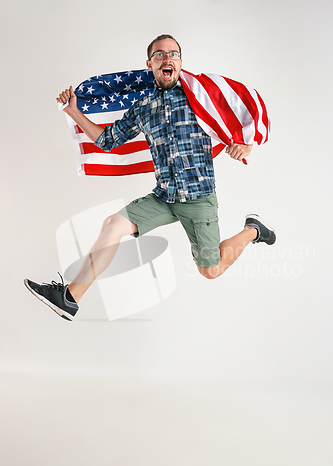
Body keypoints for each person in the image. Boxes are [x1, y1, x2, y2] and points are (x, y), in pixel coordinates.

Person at [24, 34, 276, 321]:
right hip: (163, 197)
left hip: (198, 200)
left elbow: (245, 110)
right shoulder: (143, 107)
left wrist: (247, 143)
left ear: (180, 62)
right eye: (160, 54)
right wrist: (74, 111)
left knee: (212, 270)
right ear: (150, 63)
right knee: (112, 225)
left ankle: (253, 229)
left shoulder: (201, 97)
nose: (167, 58)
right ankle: (70, 298)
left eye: (173, 54)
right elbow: (107, 140)